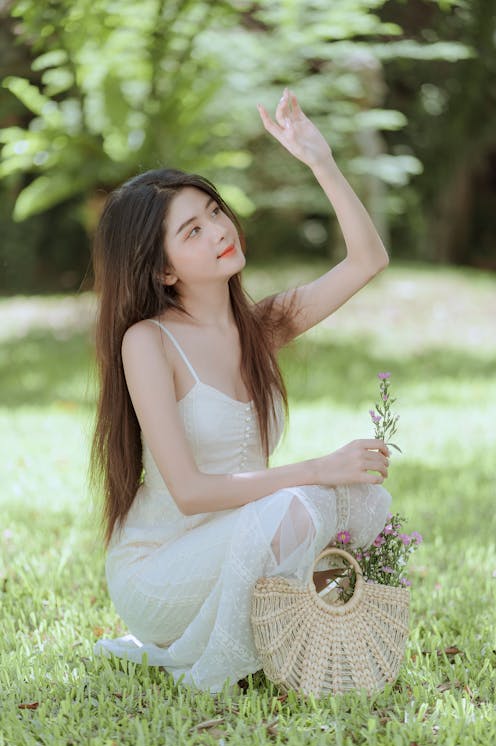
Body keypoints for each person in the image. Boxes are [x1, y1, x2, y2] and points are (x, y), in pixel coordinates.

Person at [91, 88, 392, 694]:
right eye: (193, 230)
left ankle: (287, 634)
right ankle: (230, 657)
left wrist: (320, 161)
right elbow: (194, 492)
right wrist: (316, 469)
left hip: (235, 542)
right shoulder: (147, 343)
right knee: (301, 500)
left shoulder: (262, 326)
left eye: (215, 212)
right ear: (164, 270)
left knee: (366, 503)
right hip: (160, 571)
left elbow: (367, 260)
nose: (218, 230)